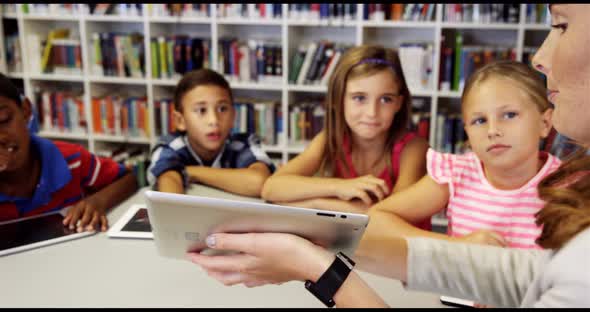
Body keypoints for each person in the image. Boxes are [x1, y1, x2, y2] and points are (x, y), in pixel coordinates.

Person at [187, 4, 590, 308]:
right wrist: (334, 201)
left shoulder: (414, 149)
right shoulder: (458, 172)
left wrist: (310, 262)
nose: (538, 56)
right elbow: (354, 214)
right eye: (479, 120)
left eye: (561, 25)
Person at [363, 61, 561, 250]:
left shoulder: (569, 185)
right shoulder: (456, 173)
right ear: (467, 131)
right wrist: (454, 245)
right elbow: (376, 219)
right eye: (480, 120)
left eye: (509, 115)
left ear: (545, 123)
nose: (492, 130)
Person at [261, 45, 430, 229]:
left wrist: (315, 204)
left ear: (399, 103)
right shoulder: (331, 139)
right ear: (337, 99)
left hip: (395, 252)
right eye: (359, 98)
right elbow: (271, 188)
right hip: (352, 246)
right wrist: (338, 187)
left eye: (385, 99)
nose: (372, 112)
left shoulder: (414, 148)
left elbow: (390, 218)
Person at [0, 73, 138, 232]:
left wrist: (98, 201)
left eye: (4, 119)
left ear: (25, 110)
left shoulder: (72, 159)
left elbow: (129, 179)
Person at [147, 69, 275, 196]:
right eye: (201, 110)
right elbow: (169, 194)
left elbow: (259, 182)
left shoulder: (241, 144)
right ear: (180, 120)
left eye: (222, 109)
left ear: (233, 116)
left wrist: (191, 172)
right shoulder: (171, 146)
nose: (214, 120)